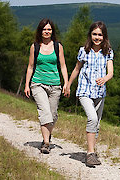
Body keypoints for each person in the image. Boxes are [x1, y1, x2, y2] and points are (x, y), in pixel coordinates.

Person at [64, 21, 114, 167]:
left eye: (100, 34)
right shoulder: (84, 51)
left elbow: (110, 71)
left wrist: (105, 78)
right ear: (90, 35)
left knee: (96, 123)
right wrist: (68, 85)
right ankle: (90, 153)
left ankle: (92, 151)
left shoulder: (108, 51)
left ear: (104, 37)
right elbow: (76, 69)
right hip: (84, 90)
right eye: (94, 34)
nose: (97, 37)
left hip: (100, 92)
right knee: (92, 118)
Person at [24, 18, 68, 154]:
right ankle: (46, 142)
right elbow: (30, 67)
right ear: (40, 31)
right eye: (44, 29)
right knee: (45, 112)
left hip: (55, 85)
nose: (47, 31)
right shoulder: (35, 47)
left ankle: (47, 135)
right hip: (38, 84)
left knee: (53, 115)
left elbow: (62, 65)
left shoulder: (57, 46)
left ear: (52, 31)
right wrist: (27, 85)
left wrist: (66, 83)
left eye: (49, 29)